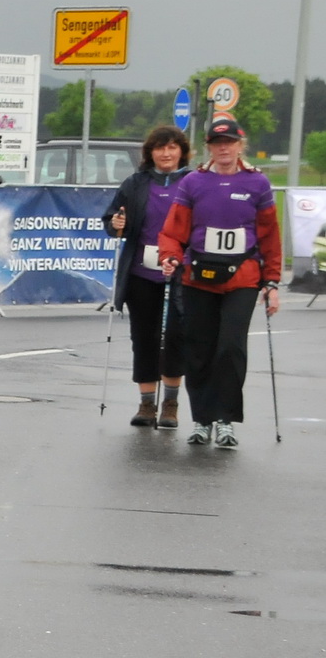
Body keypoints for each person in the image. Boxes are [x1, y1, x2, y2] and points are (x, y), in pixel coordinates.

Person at [157, 116, 281, 449]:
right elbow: (173, 230)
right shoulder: (193, 183)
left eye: (230, 143)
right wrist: (169, 255)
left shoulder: (258, 184)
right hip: (199, 276)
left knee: (230, 346)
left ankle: (225, 419)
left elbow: (270, 236)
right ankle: (202, 419)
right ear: (210, 148)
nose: (224, 148)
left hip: (243, 277)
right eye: (217, 143)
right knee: (199, 348)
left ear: (241, 145)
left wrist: (272, 281)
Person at [102, 126, 190, 428]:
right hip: (141, 274)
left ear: (181, 151)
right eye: (159, 148)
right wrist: (116, 223)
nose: (166, 154)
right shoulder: (136, 184)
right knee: (144, 338)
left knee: (175, 339)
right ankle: (146, 404)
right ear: (150, 153)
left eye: (171, 148)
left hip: (180, 273)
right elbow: (112, 221)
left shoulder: (192, 182)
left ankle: (171, 404)